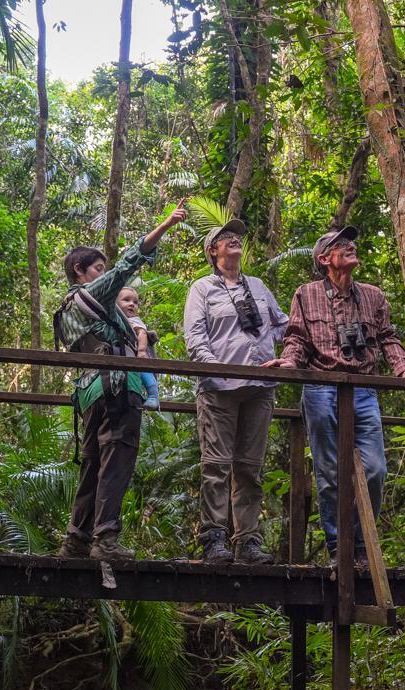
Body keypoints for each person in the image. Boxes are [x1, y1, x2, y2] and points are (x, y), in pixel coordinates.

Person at [267, 225, 405, 565]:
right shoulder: (306, 293)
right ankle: (339, 548)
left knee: (375, 469)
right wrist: (288, 363)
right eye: (340, 244)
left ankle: (361, 545)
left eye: (350, 242)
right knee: (330, 471)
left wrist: (404, 370)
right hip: (320, 387)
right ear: (324, 259)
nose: (350, 246)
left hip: (363, 389)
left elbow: (388, 337)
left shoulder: (372, 295)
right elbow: (298, 337)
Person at [55, 201, 187, 562]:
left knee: (93, 463)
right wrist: (166, 223)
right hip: (116, 387)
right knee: (117, 460)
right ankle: (106, 540)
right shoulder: (94, 292)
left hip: (89, 391)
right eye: (99, 268)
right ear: (80, 271)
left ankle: (77, 539)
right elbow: (131, 260)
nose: (106, 274)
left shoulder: (69, 306)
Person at [183, 218, 289, 564]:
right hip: (219, 389)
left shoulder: (258, 286)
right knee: (216, 466)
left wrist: (287, 355)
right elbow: (195, 337)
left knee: (249, 467)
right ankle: (214, 538)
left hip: (260, 387)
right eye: (225, 237)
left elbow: (283, 325)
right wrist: (219, 369)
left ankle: (248, 542)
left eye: (237, 236)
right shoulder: (202, 289)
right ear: (212, 251)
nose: (234, 240)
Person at [115, 285, 161, 410]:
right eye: (126, 300)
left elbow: (142, 333)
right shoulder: (116, 319)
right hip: (125, 358)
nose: (132, 304)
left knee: (145, 372)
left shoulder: (134, 320)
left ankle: (153, 396)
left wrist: (141, 351)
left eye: (135, 302)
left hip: (137, 355)